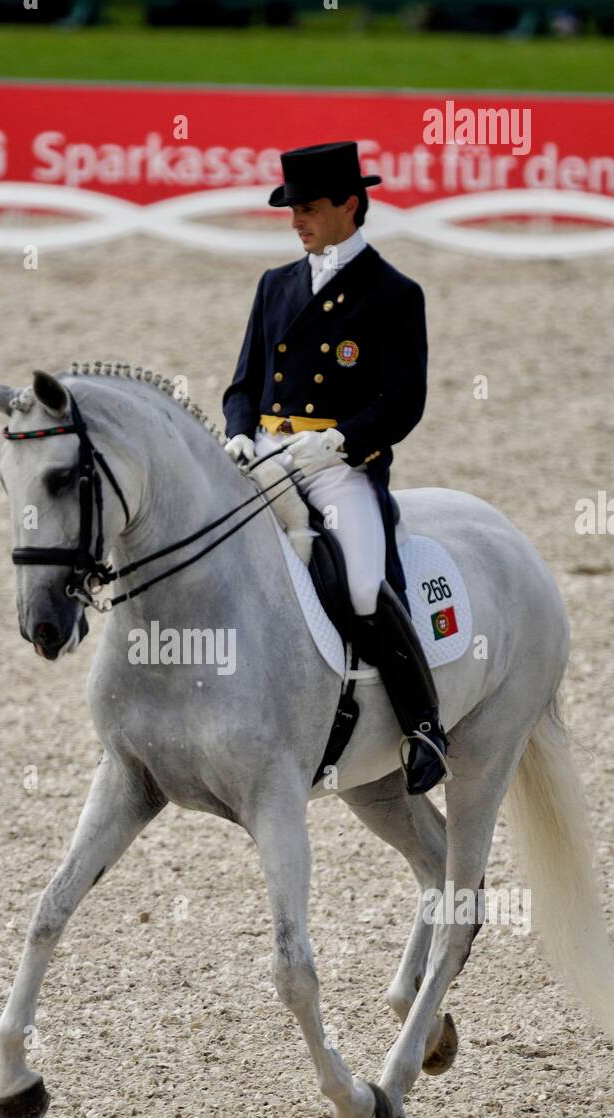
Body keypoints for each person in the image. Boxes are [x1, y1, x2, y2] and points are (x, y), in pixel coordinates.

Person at [222, 140, 450, 795]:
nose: (296, 219)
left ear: (350, 205)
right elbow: (243, 384)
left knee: (357, 582)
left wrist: (340, 442)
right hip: (265, 455)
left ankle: (421, 724)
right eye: (291, 207)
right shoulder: (275, 285)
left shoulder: (392, 293)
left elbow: (403, 401)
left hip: (338, 469)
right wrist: (239, 434)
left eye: (310, 208)